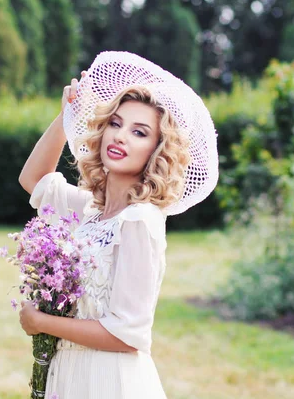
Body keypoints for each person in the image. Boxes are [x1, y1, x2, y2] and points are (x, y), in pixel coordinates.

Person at [17, 51, 218, 399]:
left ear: (157, 150)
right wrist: (68, 113)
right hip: (68, 377)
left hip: (108, 382)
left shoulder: (140, 221)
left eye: (139, 132)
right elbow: (34, 178)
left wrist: (42, 324)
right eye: (115, 123)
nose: (121, 136)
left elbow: (129, 335)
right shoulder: (91, 211)